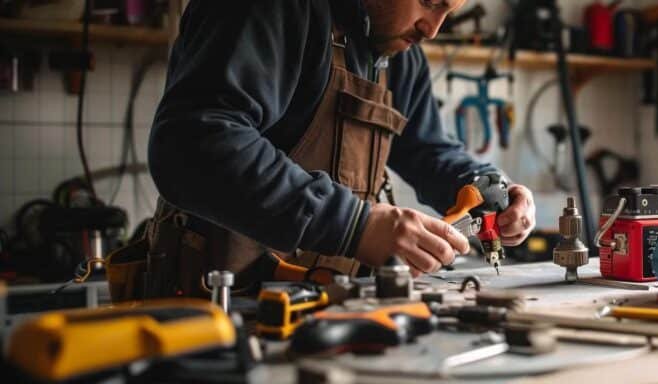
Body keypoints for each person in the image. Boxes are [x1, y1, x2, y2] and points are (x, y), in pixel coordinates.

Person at [143, 0, 536, 297]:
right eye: (430, 1)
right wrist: (354, 225)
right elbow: (193, 142)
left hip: (326, 306)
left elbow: (428, 150)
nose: (432, 29)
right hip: (215, 302)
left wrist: (488, 187)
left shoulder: (398, 56)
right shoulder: (270, 8)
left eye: (449, 11)